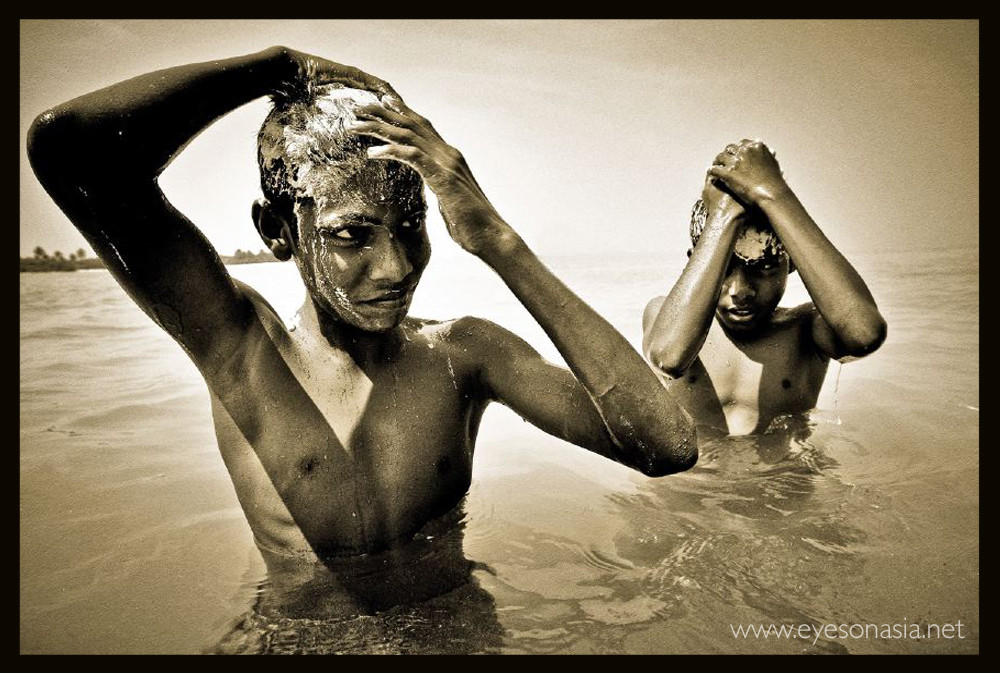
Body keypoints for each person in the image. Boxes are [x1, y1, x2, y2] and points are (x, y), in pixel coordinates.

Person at [27, 46, 696, 568]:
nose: (397, 268)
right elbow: (66, 145)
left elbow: (666, 446)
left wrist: (496, 240)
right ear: (278, 231)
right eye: (350, 235)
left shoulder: (464, 356)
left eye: (411, 226)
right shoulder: (244, 351)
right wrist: (277, 67)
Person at [642, 139, 887, 437]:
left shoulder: (805, 331)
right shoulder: (663, 315)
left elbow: (864, 334)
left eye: (764, 269)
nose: (741, 291)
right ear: (699, 263)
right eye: (726, 268)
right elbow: (669, 358)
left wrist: (773, 193)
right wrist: (724, 214)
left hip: (782, 484)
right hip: (693, 485)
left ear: (793, 263)